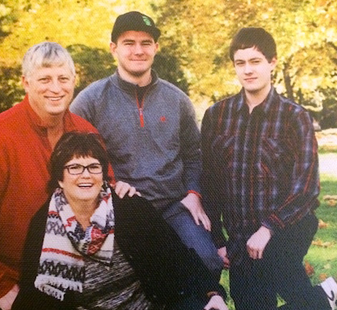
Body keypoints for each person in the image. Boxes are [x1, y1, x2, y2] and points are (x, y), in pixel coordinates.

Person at [0, 42, 133, 310]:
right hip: (5, 278)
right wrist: (1, 288)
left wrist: (118, 189)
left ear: (74, 81)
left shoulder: (85, 133)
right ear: (26, 83)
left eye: (63, 79)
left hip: (70, 276)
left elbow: (102, 192)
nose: (56, 88)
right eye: (44, 79)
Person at [70, 11, 223, 276]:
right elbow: (72, 162)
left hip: (173, 206)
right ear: (113, 49)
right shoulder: (90, 102)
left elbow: (193, 155)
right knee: (142, 275)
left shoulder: (177, 100)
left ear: (156, 48)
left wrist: (193, 194)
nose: (138, 50)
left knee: (207, 260)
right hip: (121, 210)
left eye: (146, 43)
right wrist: (109, 186)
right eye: (129, 43)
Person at [201, 27, 337, 310]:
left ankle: (317, 300)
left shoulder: (294, 117)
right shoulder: (217, 116)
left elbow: (306, 188)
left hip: (287, 227)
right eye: (240, 63)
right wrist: (217, 239)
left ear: (272, 62)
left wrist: (268, 228)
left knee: (281, 270)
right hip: (241, 237)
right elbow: (211, 185)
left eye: (255, 61)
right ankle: (322, 300)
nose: (247, 70)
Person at [12, 131, 228, 310]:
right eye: (74, 168)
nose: (85, 175)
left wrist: (213, 293)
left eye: (93, 167)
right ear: (60, 178)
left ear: (103, 174)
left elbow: (178, 256)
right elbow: (33, 295)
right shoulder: (45, 225)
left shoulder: (129, 207)